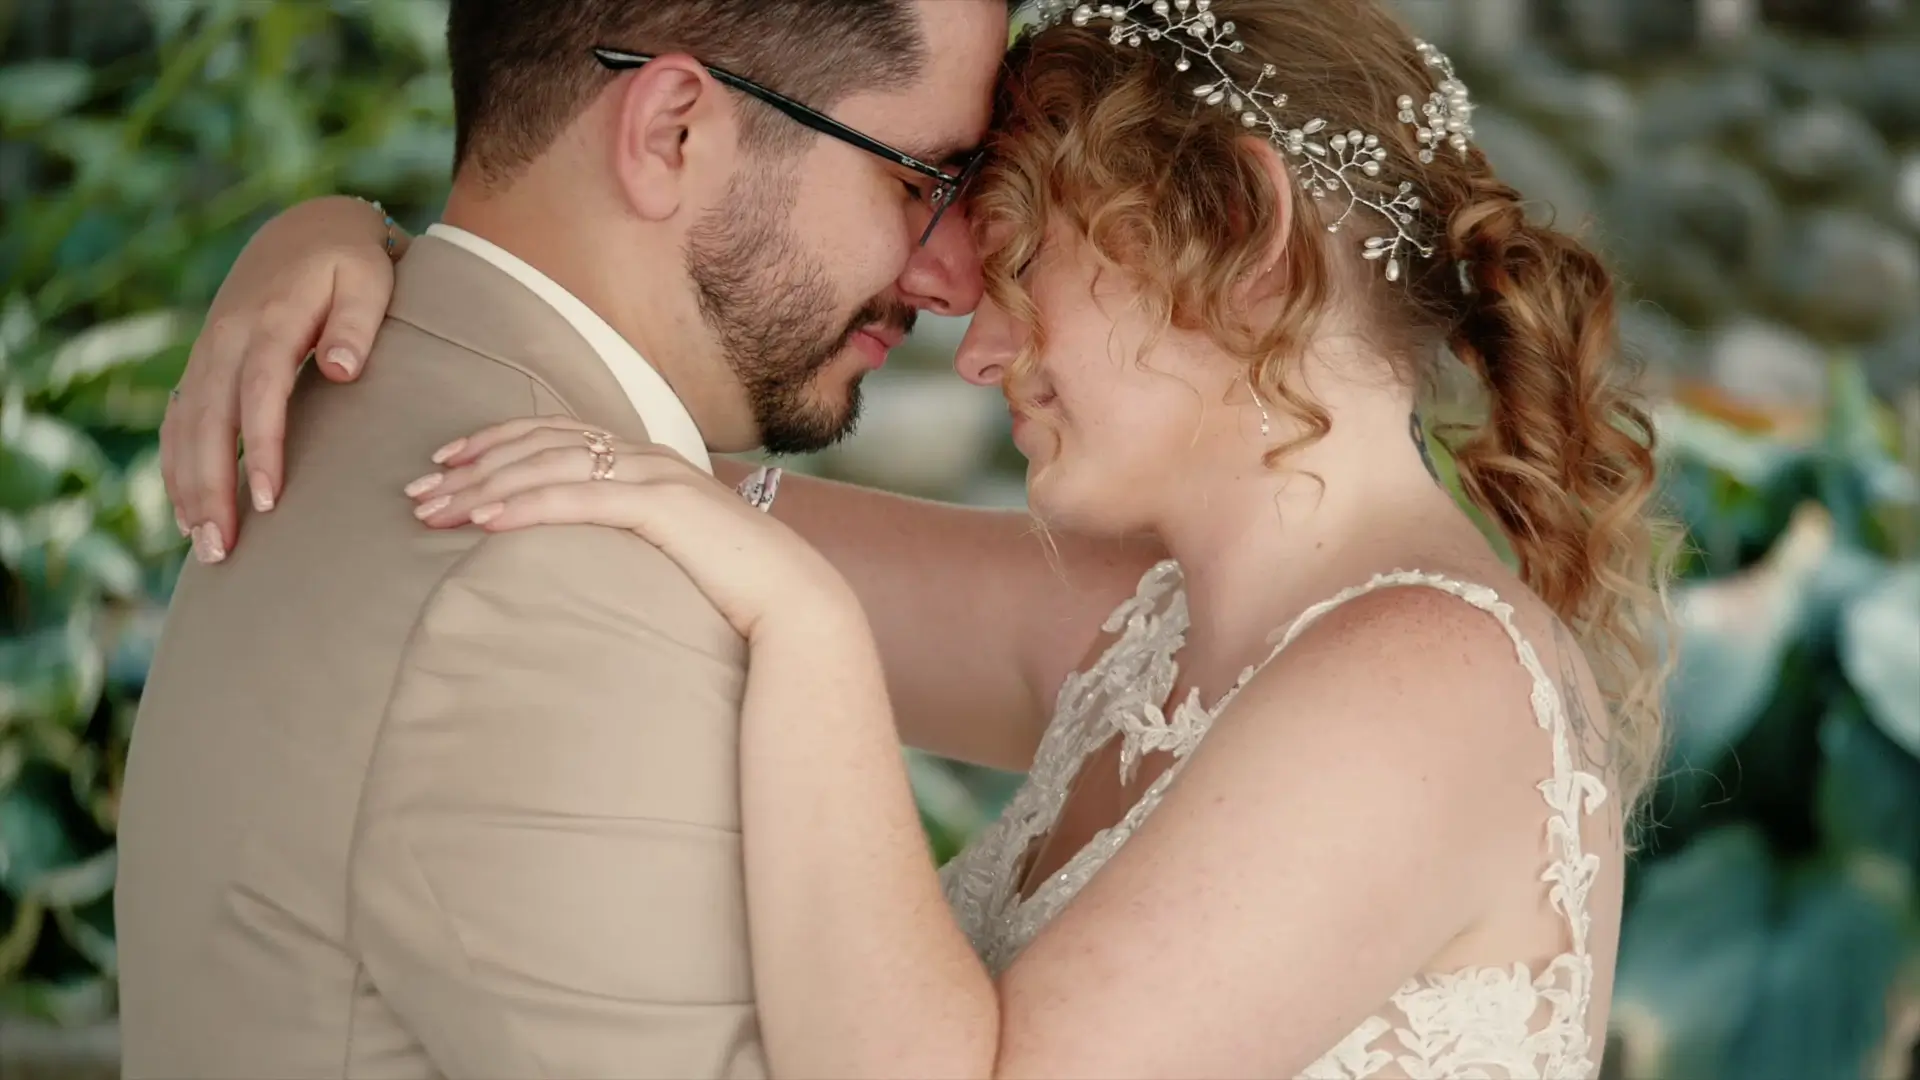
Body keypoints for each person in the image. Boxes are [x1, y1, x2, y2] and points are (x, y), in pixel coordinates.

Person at [158, 0, 1676, 1076]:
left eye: (1019, 253)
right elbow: (595, 472)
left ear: (1243, 240)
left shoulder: (1424, 682)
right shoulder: (1136, 628)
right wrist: (362, 255)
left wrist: (806, 633)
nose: (973, 330)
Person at [114, 2, 1015, 1077]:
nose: (955, 281)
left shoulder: (366, 392)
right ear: (669, 132)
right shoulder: (556, 594)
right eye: (919, 183)